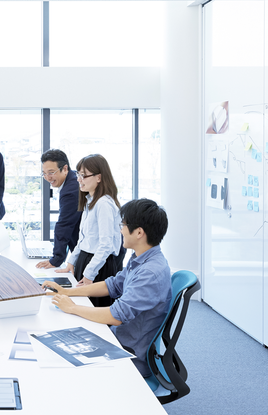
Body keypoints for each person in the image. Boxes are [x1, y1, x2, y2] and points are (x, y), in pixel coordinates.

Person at [42, 198, 172, 378]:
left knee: (55, 357)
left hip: (129, 355)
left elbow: (115, 316)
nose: (120, 230)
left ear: (139, 232)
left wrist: (72, 307)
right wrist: (67, 292)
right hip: (117, 339)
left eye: (123, 225)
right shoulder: (142, 258)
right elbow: (112, 285)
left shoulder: (150, 272)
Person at [55, 154, 123, 307]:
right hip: (86, 261)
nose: (79, 179)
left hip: (99, 266)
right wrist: (71, 262)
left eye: (83, 176)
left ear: (99, 177)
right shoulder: (90, 201)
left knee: (92, 310)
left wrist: (89, 274)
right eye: (78, 175)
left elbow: (106, 245)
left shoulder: (104, 204)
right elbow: (83, 239)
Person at [36, 149, 82, 269]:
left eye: (51, 172)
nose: (47, 177)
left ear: (65, 169)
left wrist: (56, 259)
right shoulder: (71, 181)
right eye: (44, 173)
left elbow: (64, 224)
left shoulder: (71, 190)